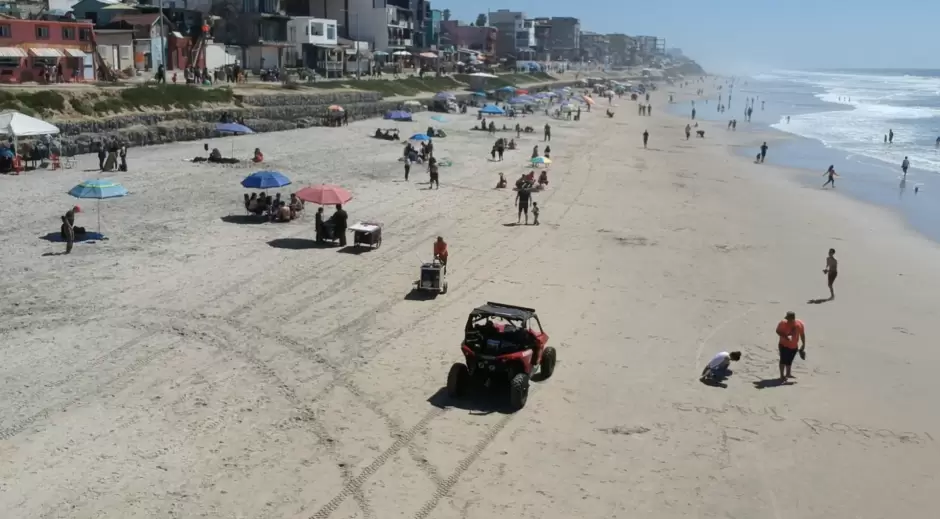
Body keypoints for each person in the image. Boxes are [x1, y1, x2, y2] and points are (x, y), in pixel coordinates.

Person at [775, 311, 806, 381]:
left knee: (789, 360)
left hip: (794, 346)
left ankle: (788, 374)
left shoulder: (799, 324)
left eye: (788, 319)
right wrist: (785, 336)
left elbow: (802, 334)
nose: (787, 320)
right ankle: (782, 376)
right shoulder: (783, 323)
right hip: (783, 345)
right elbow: (777, 331)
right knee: (783, 360)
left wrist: (803, 344)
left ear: (792, 319)